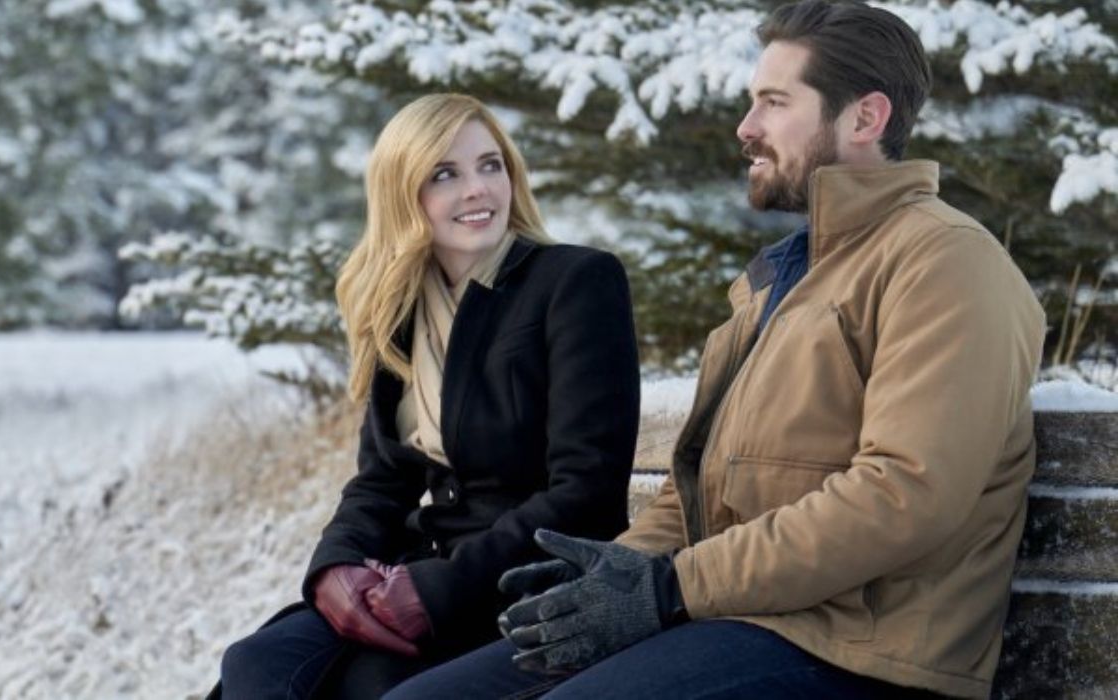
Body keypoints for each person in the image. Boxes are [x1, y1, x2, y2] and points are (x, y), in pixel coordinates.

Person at [386, 2, 1045, 698]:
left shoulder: (944, 261)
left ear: (865, 118)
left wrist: (673, 586)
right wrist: (613, 577)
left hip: (860, 652)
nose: (747, 127)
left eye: (774, 102)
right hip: (737, 617)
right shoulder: (781, 276)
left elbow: (903, 495)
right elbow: (694, 488)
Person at [213, 93, 641, 699]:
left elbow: (587, 492)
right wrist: (336, 566)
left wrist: (438, 589)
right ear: (402, 195)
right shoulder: (403, 303)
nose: (478, 190)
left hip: (524, 579)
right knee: (256, 664)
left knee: (366, 686)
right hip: (418, 568)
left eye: (491, 166)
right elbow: (383, 479)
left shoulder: (574, 282)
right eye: (446, 174)